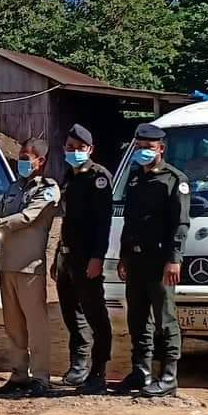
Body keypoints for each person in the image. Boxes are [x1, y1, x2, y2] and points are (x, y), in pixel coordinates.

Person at [0, 136, 60, 395]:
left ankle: (41, 377)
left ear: (41, 161)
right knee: (13, 324)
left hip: (29, 267)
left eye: (26, 159)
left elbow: (25, 218)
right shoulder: (15, 187)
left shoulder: (48, 189)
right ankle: (19, 374)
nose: (21, 163)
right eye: (20, 158)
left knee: (36, 324)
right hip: (7, 265)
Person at [116, 121, 189, 399]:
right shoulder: (136, 178)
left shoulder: (174, 180)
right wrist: (124, 256)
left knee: (165, 318)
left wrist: (174, 259)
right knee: (137, 318)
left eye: (148, 147)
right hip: (136, 259)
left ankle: (168, 376)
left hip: (160, 261)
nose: (143, 151)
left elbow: (180, 224)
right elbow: (129, 221)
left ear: (161, 148)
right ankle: (141, 371)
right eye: (139, 146)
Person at [54, 123, 114, 394]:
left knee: (95, 315)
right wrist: (57, 257)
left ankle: (98, 371)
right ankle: (78, 366)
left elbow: (103, 223)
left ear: (90, 149)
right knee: (71, 313)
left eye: (80, 148)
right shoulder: (69, 176)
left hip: (87, 258)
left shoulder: (98, 177)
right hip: (67, 257)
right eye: (70, 147)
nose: (74, 152)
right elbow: (66, 221)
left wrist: (97, 257)